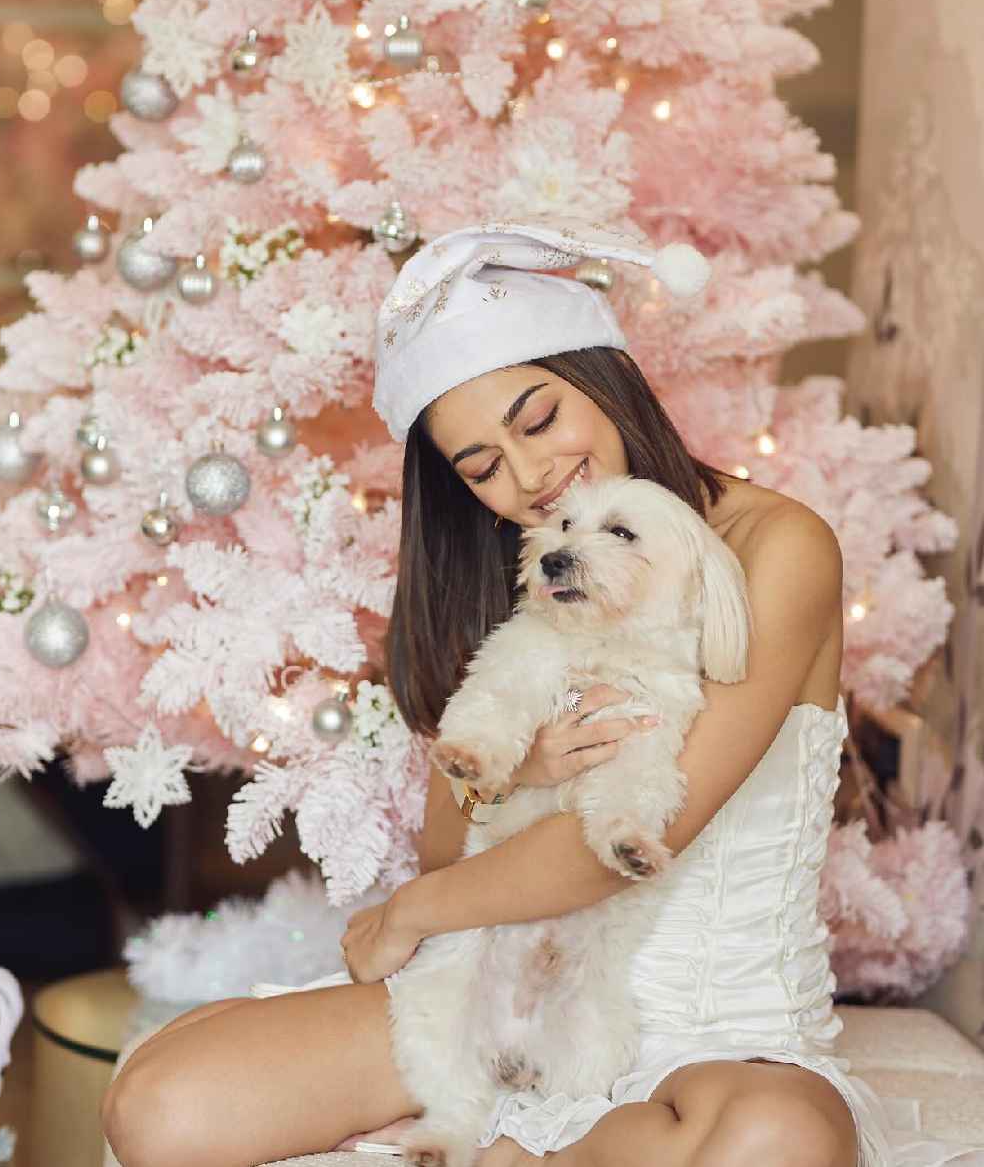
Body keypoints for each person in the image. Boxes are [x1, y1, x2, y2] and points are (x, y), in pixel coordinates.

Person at [102, 220, 960, 1167]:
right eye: (482, 469)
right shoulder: (527, 580)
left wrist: (406, 918)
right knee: (161, 1105)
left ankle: (534, 1151)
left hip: (710, 1028)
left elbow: (631, 844)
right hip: (500, 991)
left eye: (539, 419)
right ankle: (522, 1133)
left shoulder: (776, 548)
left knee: (776, 1138)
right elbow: (444, 851)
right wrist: (509, 775)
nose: (530, 477)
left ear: (603, 376)